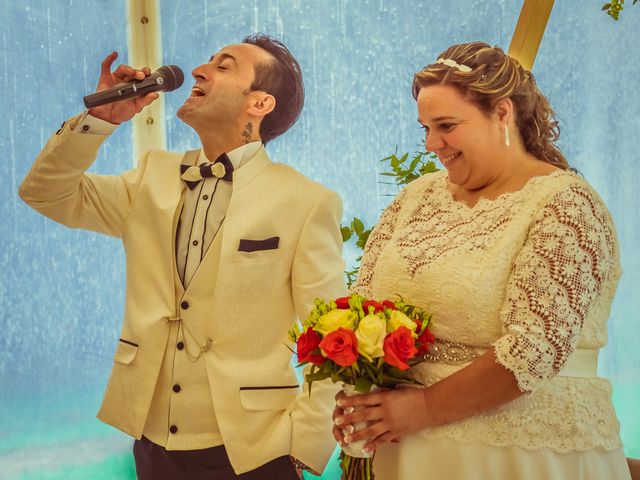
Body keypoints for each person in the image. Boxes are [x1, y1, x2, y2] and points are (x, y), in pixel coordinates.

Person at [19, 34, 346, 479]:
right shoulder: (151, 177)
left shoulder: (305, 202)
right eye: (208, 60)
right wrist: (99, 120)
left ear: (260, 104)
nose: (198, 70)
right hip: (153, 447)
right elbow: (44, 192)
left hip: (256, 451)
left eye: (224, 65)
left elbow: (334, 339)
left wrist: (303, 446)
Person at [332, 41, 632, 479]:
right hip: (409, 455)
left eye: (447, 125)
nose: (432, 143)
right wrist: (358, 393)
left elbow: (534, 350)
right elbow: (359, 308)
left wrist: (422, 408)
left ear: (503, 113)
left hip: (519, 459)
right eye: (425, 129)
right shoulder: (417, 197)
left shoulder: (565, 204)